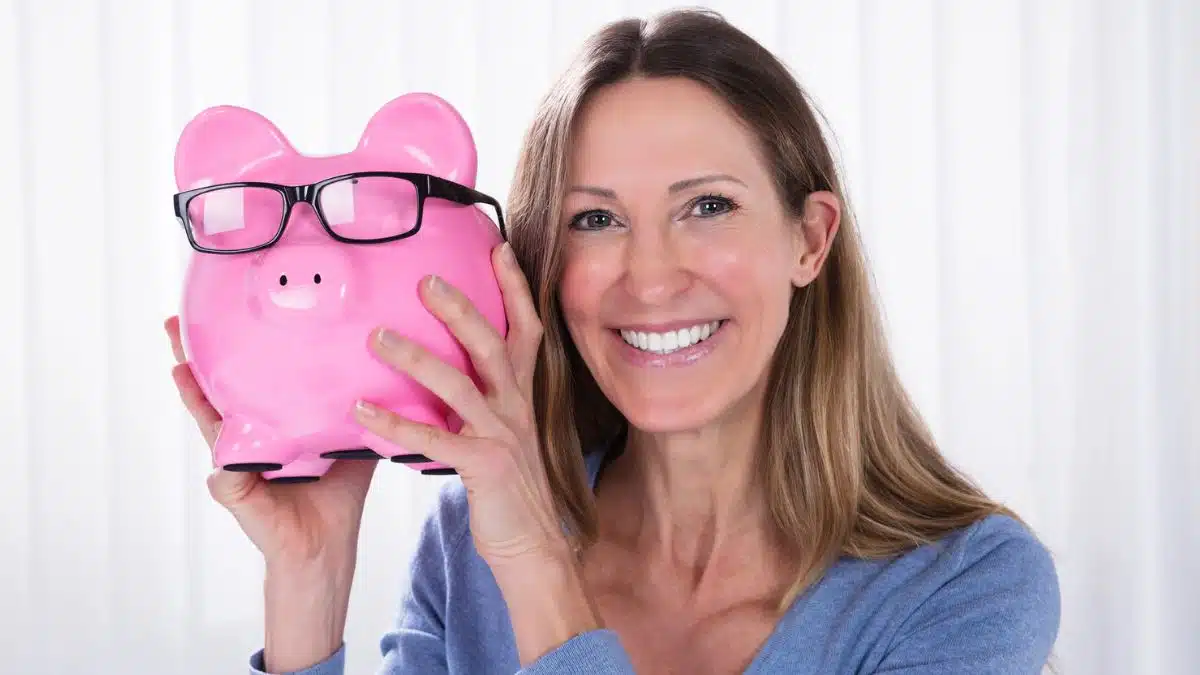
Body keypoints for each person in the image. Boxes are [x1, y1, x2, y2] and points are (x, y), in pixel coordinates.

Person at [165, 9, 1060, 675]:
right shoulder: (464, 548)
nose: (652, 277)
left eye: (706, 206)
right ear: (544, 264)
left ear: (809, 238)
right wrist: (309, 580)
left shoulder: (965, 587)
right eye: (594, 219)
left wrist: (537, 567)